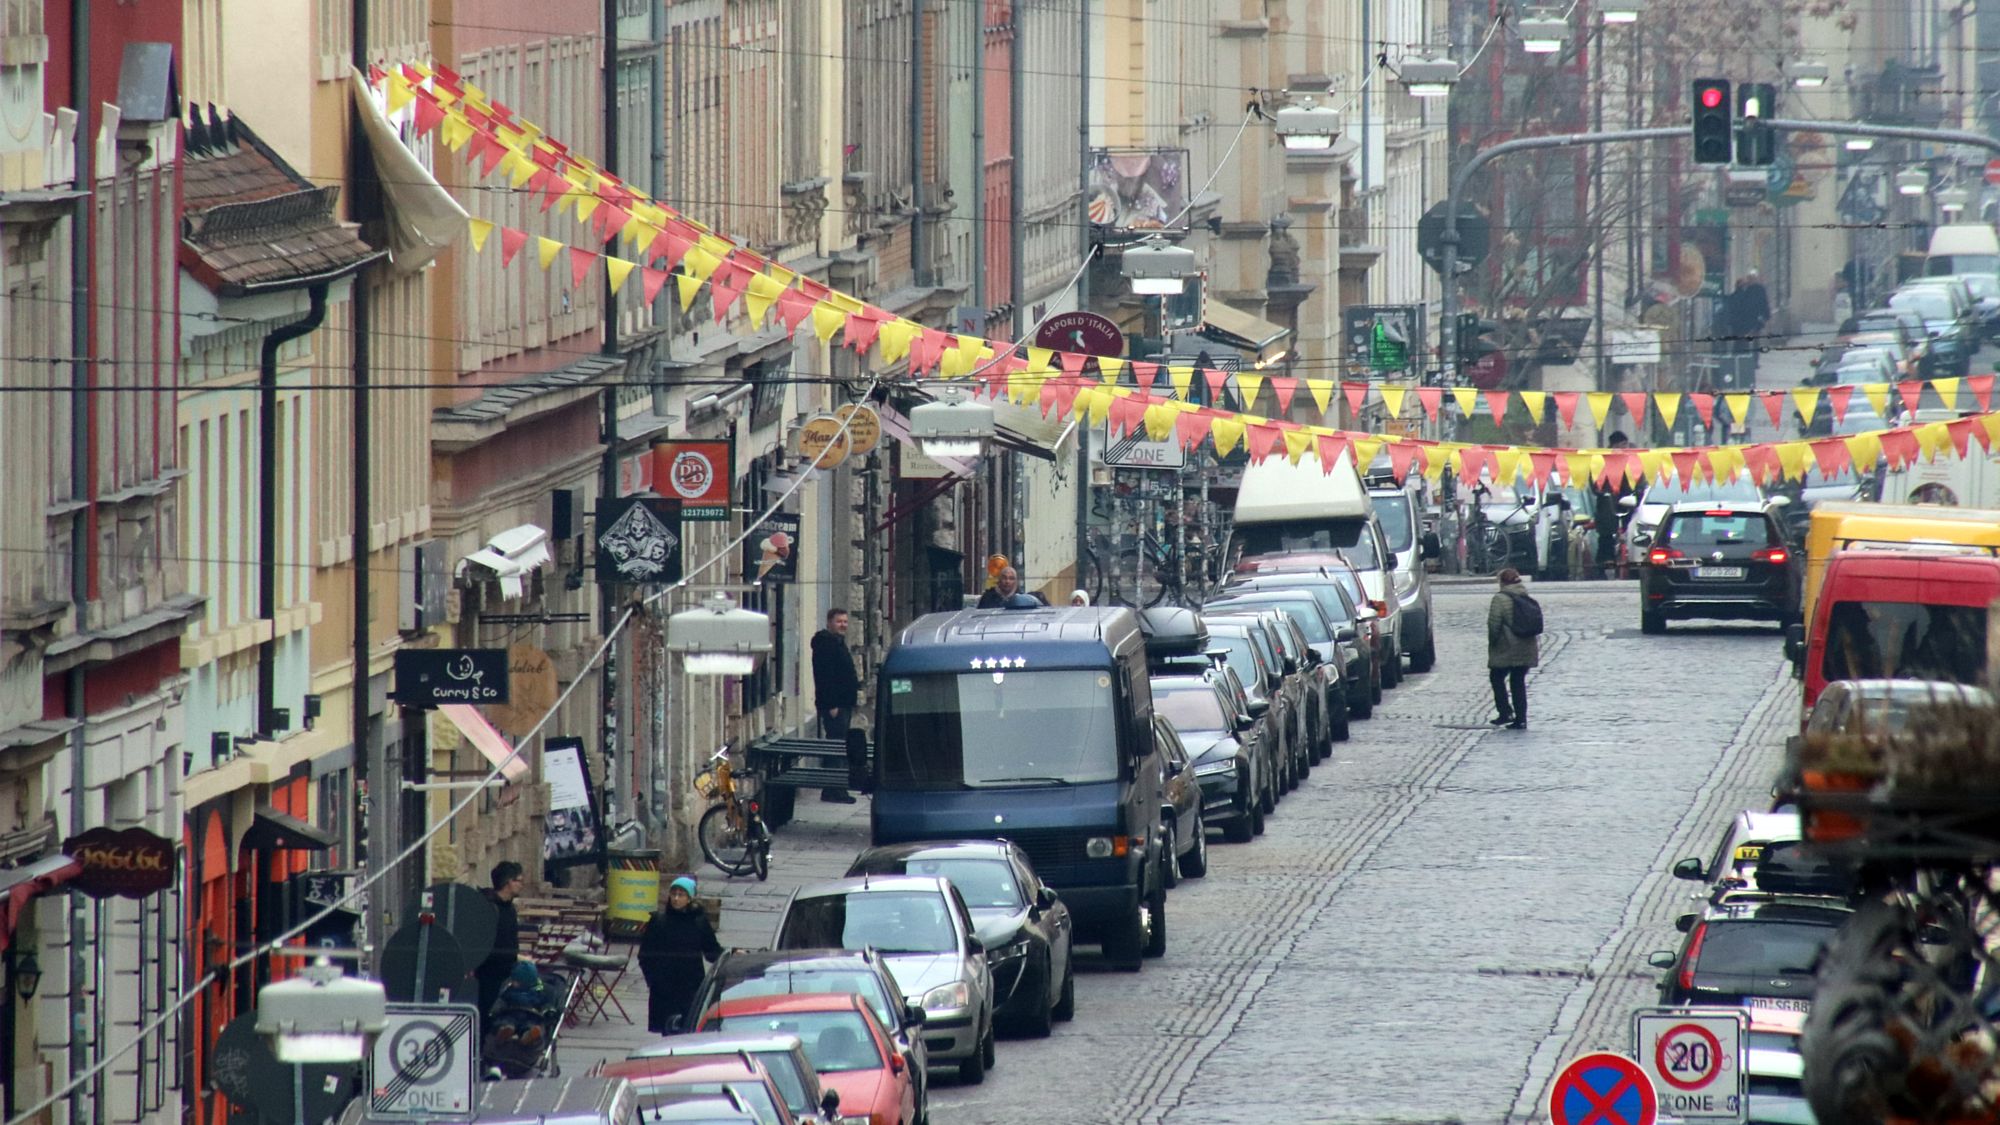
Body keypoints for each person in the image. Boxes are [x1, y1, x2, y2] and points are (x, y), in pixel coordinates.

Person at [638, 875, 723, 1034]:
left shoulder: (698, 922)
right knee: (668, 1030)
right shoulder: (659, 922)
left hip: (690, 987)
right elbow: (645, 955)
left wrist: (731, 954)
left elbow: (711, 950)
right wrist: (653, 980)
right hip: (664, 988)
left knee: (688, 1029)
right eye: (673, 894)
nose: (676, 899)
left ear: (689, 898)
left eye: (681, 895)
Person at [810, 608, 860, 804]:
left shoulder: (838, 643)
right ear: (830, 622)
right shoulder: (826, 645)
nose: (843, 625)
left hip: (843, 704)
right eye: (839, 622)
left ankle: (834, 788)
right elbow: (825, 676)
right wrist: (832, 704)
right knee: (836, 747)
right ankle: (834, 790)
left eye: (845, 622)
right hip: (835, 706)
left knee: (839, 746)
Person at [1487, 568, 1539, 730]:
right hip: (1526, 647)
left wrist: (1493, 643)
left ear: (1502, 582)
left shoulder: (1500, 599)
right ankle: (1521, 719)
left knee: (1496, 677)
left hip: (1507, 647)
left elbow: (1494, 624)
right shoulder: (1525, 596)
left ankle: (1505, 712)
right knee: (1518, 682)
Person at [475, 861, 527, 1024]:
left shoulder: (509, 908)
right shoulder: (490, 907)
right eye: (519, 880)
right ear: (507, 882)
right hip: (490, 973)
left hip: (507, 971)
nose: (522, 884)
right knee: (486, 1013)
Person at [490, 960, 554, 1047]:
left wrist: (549, 1011)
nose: (513, 982)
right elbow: (502, 1001)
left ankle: (528, 1035)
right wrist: (495, 1009)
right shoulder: (509, 991)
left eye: (515, 981)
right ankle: (504, 1032)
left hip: (531, 1016)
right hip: (510, 1013)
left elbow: (545, 1004)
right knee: (505, 1021)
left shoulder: (537, 993)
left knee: (531, 1025)